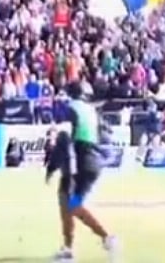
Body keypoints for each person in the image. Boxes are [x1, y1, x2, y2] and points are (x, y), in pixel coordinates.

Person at [45, 81, 118, 262]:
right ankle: (68, 249)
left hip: (79, 163)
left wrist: (52, 165)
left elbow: (64, 138)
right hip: (89, 161)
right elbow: (103, 134)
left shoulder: (70, 109)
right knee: (65, 202)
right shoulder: (90, 110)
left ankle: (107, 237)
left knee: (73, 205)